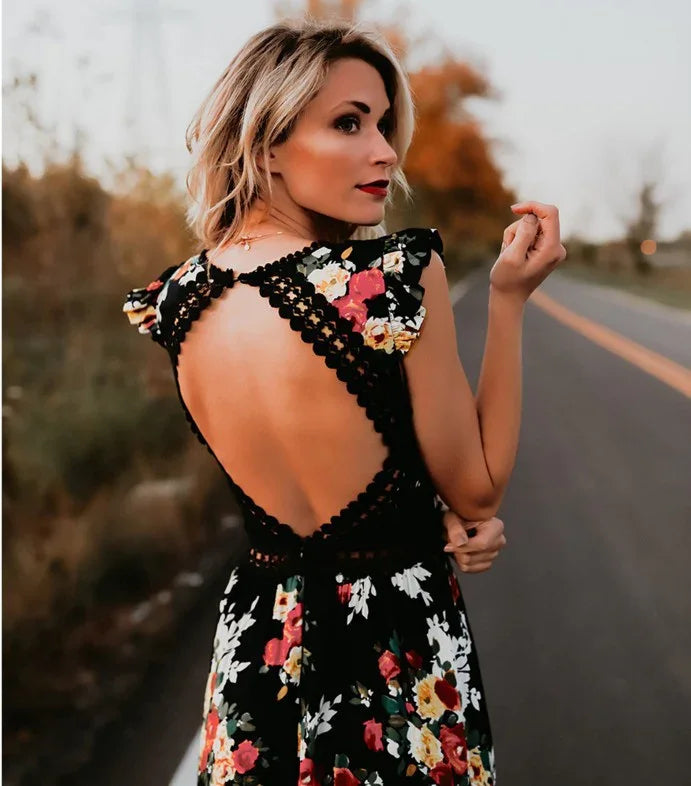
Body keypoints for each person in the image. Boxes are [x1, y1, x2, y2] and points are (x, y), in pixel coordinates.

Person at [122, 17, 565, 786]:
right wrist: (507, 302)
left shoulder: (173, 301)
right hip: (393, 649)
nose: (385, 151)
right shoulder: (387, 279)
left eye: (384, 125)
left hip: (258, 646)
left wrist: (432, 525)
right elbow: (477, 485)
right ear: (265, 144)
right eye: (348, 123)